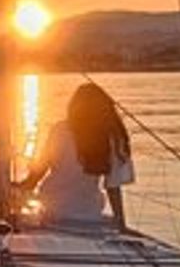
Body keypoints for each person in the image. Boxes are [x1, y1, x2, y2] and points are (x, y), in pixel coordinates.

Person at [15, 82, 135, 228]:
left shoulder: (59, 130)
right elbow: (113, 187)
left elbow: (40, 171)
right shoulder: (110, 138)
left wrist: (19, 189)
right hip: (89, 213)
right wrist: (120, 221)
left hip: (53, 210)